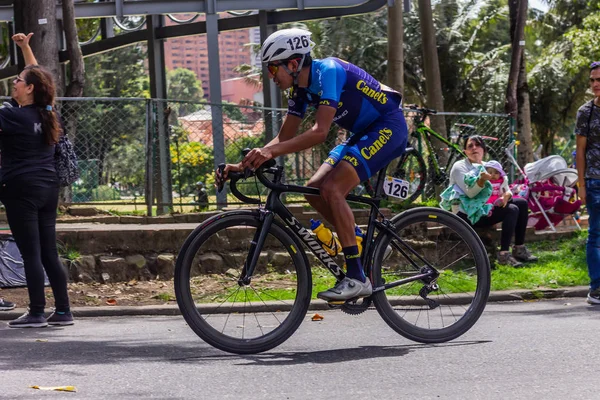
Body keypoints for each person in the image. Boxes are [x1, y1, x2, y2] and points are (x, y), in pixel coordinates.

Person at [216, 28, 408, 302]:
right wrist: (244, 164)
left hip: (387, 127)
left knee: (332, 189)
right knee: (313, 189)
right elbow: (283, 137)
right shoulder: (300, 90)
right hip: (361, 134)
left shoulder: (327, 71)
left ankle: (356, 277)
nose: (271, 78)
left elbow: (319, 132)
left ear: (293, 64)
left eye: (273, 70)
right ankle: (363, 242)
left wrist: (268, 153)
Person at [0, 32, 74, 328]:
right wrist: (25, 49)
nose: (14, 83)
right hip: (48, 188)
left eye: (19, 80)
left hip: (21, 190)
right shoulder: (47, 114)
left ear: (28, 89)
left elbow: (36, 79)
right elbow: (41, 79)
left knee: (30, 253)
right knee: (48, 253)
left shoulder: (12, 117)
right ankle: (64, 311)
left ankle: (36, 312)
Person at [442, 135, 537, 267]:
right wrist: (481, 180)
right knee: (512, 210)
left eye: (478, 145)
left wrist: (507, 195)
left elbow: (504, 185)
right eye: (470, 146)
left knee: (521, 202)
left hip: (485, 208)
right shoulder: (460, 167)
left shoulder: (488, 166)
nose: (474, 148)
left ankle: (519, 248)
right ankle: (504, 255)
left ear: (484, 150)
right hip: (467, 214)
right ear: (465, 151)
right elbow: (470, 193)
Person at [575, 61, 600, 305]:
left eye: (599, 80)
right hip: (595, 182)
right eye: (592, 80)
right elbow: (580, 151)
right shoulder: (586, 112)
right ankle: (596, 289)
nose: (595, 84)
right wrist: (581, 184)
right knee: (596, 234)